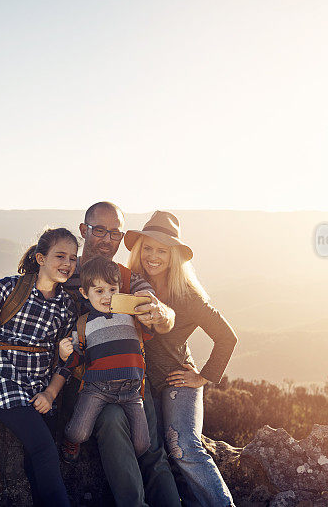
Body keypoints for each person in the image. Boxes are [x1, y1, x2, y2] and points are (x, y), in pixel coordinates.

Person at [0, 202, 181, 507]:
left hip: (127, 375)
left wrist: (159, 313)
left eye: (115, 233)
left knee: (152, 452)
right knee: (105, 427)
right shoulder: (64, 272)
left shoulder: (125, 277)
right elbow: (27, 310)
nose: (107, 239)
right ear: (84, 230)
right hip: (83, 381)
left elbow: (163, 313)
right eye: (100, 230)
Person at [125, 211, 238, 507]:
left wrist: (202, 377)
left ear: (174, 255)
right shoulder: (129, 283)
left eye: (161, 250)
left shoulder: (189, 296)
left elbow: (227, 337)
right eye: (147, 248)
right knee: (153, 449)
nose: (152, 256)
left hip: (178, 380)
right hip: (143, 382)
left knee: (184, 446)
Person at [0, 227, 78, 507]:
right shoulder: (10, 287)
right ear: (40, 258)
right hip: (4, 377)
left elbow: (66, 362)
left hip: (39, 387)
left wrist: (50, 394)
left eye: (73, 258)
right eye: (60, 256)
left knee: (34, 458)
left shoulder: (66, 306)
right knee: (43, 448)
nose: (67, 264)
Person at [57, 256, 152, 462]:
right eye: (99, 291)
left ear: (120, 289)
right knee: (79, 433)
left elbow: (152, 329)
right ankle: (69, 441)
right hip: (97, 389)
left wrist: (151, 312)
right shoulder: (83, 324)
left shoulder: (131, 317)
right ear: (84, 293)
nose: (107, 296)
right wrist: (66, 354)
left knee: (143, 445)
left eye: (112, 289)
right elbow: (77, 359)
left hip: (132, 390)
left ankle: (120, 456)